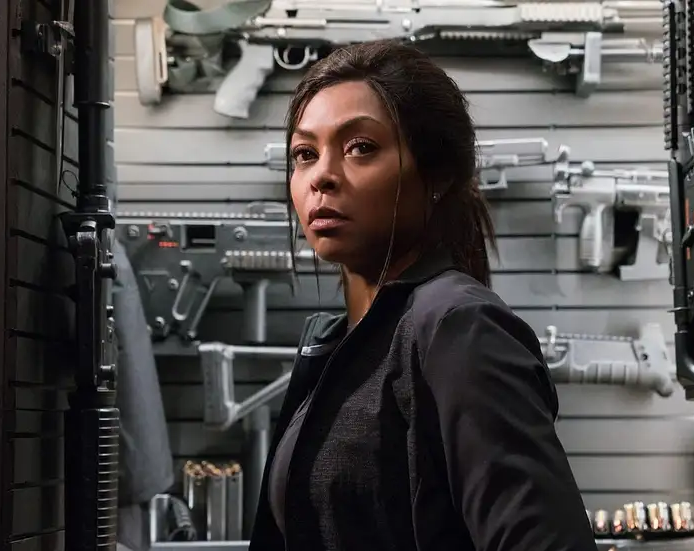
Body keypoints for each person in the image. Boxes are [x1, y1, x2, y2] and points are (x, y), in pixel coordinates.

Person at [248, 39, 597, 551]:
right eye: (305, 154)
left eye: (360, 147)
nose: (321, 175)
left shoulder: (458, 327)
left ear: (437, 173)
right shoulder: (344, 341)